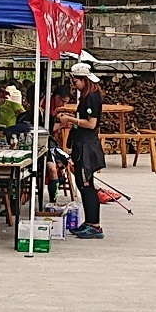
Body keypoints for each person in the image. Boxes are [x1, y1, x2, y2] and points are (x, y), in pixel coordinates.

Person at [65, 61, 107, 239]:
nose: (74, 86)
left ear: (83, 80)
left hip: (86, 146)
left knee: (87, 184)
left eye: (74, 82)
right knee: (82, 184)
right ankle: (89, 221)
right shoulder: (86, 95)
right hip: (81, 143)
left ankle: (95, 225)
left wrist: (70, 119)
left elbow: (91, 124)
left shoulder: (91, 97)